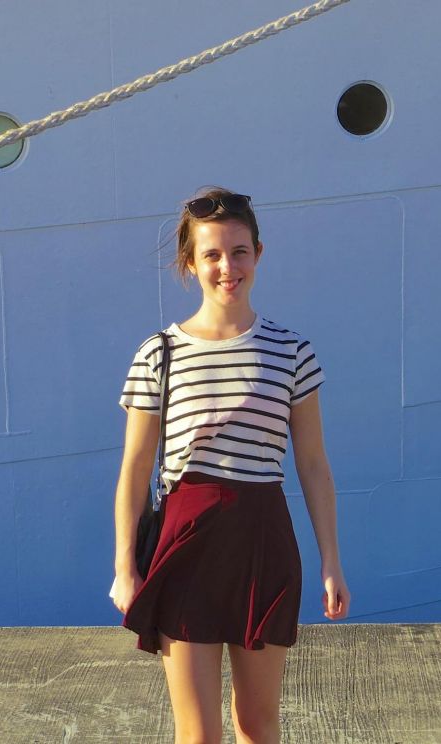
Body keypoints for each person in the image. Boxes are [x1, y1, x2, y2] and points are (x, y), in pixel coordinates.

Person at [111, 186, 350, 743]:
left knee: (258, 725)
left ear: (258, 254)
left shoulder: (291, 351)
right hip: (185, 543)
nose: (227, 267)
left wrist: (331, 561)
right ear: (190, 264)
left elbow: (313, 464)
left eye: (239, 252)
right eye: (212, 255)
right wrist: (125, 567)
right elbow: (135, 469)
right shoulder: (158, 354)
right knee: (198, 733)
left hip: (263, 541)